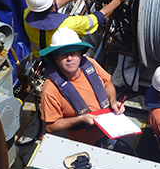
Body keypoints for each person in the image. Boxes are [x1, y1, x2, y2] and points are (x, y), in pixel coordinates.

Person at [39, 27, 136, 155]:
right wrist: (81, 119)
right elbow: (50, 126)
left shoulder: (91, 64)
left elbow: (107, 85)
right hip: (86, 144)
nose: (70, 58)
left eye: (73, 53)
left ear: (80, 54)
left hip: (112, 130)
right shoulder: (50, 89)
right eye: (64, 55)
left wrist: (113, 101)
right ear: (55, 58)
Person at [23, 0, 127, 57]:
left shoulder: (27, 14)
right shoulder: (68, 24)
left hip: (41, 57)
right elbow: (98, 18)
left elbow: (51, 5)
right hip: (61, 61)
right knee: (95, 37)